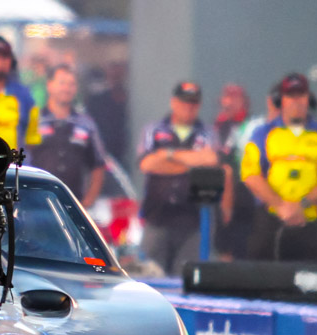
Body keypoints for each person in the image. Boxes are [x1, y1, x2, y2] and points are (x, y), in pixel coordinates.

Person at [241, 73, 317, 262]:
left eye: (300, 95)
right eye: (290, 96)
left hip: (311, 220)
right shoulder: (262, 134)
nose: (296, 101)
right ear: (281, 100)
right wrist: (280, 206)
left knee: (316, 276)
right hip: (271, 220)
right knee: (262, 275)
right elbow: (250, 175)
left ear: (308, 99)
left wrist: (302, 205)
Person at [137, 81, 220, 275]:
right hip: (157, 216)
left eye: (193, 103)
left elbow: (211, 161)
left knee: (187, 278)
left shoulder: (208, 133)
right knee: (150, 276)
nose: (188, 107)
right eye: (184, 102)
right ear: (173, 102)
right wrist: (193, 161)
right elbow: (147, 164)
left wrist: (168, 154)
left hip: (194, 219)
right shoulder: (154, 129)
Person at [29, 65, 106, 208]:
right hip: (37, 204)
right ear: (49, 85)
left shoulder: (86, 123)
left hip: (72, 204)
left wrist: (87, 202)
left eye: (71, 84)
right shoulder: (34, 120)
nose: (66, 88)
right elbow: (21, 159)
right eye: (62, 83)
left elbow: (98, 165)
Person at [218, 85, 280, 261]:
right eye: (227, 98)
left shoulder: (253, 125)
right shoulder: (230, 127)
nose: (229, 102)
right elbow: (228, 167)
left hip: (265, 201)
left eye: (234, 98)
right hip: (241, 199)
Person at [85, 61, 129, 165]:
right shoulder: (97, 100)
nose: (116, 78)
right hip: (104, 154)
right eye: (113, 74)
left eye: (119, 74)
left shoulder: (131, 99)